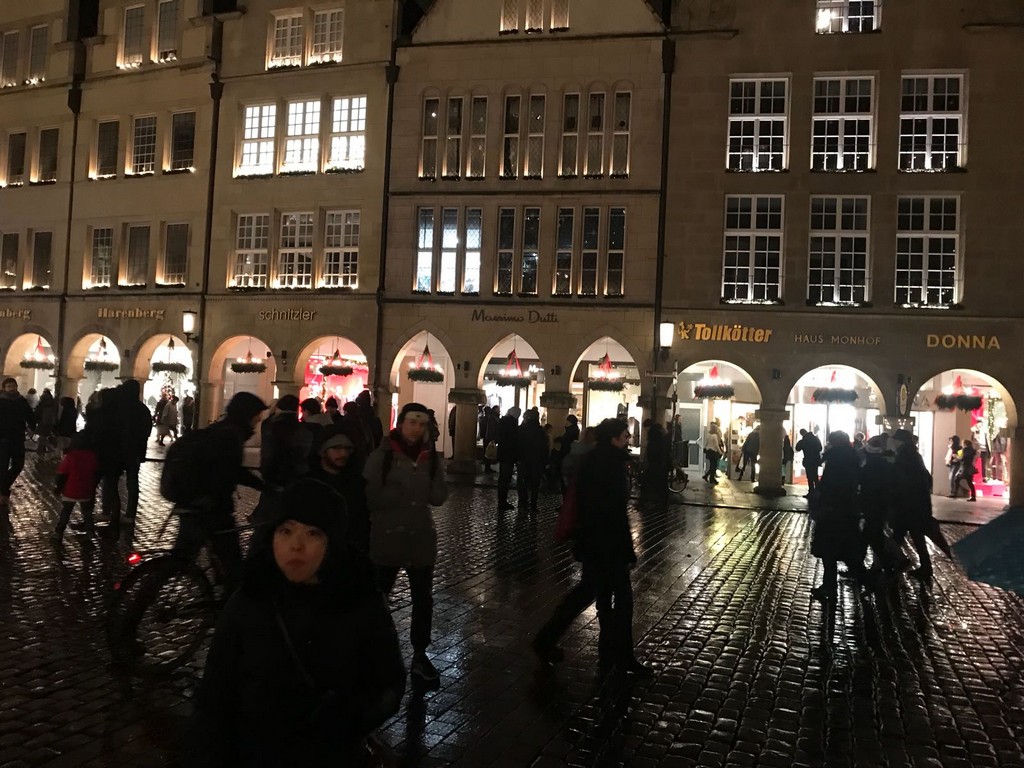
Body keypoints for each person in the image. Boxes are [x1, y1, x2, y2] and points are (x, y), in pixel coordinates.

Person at [184, 479, 406, 767]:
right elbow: (215, 693)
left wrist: (350, 716)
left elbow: (389, 681)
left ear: (332, 541)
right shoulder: (251, 599)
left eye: (313, 533)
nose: (296, 546)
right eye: (285, 531)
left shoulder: (360, 600)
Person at [533, 418, 651, 677]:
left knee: (592, 597)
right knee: (618, 601)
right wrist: (626, 550)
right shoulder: (608, 464)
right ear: (614, 438)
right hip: (607, 545)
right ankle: (620, 656)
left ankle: (604, 652)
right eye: (625, 435)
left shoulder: (595, 460)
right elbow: (613, 512)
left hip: (594, 543)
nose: (628, 440)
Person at [364, 402, 449, 688]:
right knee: (379, 597)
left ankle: (420, 654)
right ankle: (372, 649)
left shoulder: (431, 458)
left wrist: (435, 482)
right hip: (388, 538)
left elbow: (438, 497)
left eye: (421, 424)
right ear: (400, 423)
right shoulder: (382, 455)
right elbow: (370, 496)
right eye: (412, 422)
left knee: (423, 600)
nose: (416, 429)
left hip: (420, 539)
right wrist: (395, 494)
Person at [174, 392, 268, 592]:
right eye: (256, 417)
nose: (257, 422)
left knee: (179, 561)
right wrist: (264, 486)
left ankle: (144, 598)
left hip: (191, 503)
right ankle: (229, 605)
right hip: (211, 508)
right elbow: (230, 470)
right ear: (247, 414)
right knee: (232, 566)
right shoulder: (231, 435)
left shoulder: (220, 429)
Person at [811, 431, 872, 608]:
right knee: (843, 552)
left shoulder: (836, 459)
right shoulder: (851, 457)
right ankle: (831, 586)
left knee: (833, 551)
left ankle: (834, 586)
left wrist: (822, 502)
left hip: (834, 511)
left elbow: (831, 485)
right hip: (846, 511)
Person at [890, 428, 944, 583]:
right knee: (914, 537)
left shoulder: (904, 456)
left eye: (895, 440)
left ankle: (891, 564)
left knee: (899, 537)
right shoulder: (914, 455)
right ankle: (924, 567)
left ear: (900, 441)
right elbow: (927, 479)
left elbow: (901, 481)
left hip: (908, 505)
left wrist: (895, 498)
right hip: (917, 505)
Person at [309, 426, 369, 553]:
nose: (343, 454)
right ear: (322, 451)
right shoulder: (308, 484)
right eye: (336, 448)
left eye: (347, 449)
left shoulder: (357, 484)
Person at [52, 430, 101, 542]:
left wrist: (58, 488)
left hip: (71, 489)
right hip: (86, 489)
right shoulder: (92, 456)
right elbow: (96, 471)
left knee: (66, 512)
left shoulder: (71, 456)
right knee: (87, 513)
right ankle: (90, 532)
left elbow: (62, 474)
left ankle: (58, 533)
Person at [260, 394, 313, 494]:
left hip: (275, 476)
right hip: (297, 476)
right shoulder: (304, 429)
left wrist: (266, 474)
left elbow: (268, 454)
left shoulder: (270, 426)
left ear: (279, 408)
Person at [0, 377, 37, 507]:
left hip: (18, 438)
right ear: (4, 388)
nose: (11, 389)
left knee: (18, 465)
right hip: (3, 439)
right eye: (9, 386)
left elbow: (30, 416)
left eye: (13, 386)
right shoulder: (1, 401)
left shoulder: (21, 401)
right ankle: (3, 493)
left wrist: (33, 427)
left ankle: (3, 487)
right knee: (2, 467)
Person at [517, 408, 548, 513]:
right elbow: (543, 447)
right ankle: (533, 504)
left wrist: (518, 457)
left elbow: (518, 445)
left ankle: (523, 502)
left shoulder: (522, 429)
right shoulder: (539, 430)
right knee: (535, 483)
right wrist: (545, 460)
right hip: (536, 460)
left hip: (524, 459)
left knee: (523, 481)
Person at [496, 406, 521, 511]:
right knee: (505, 479)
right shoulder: (511, 424)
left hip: (503, 454)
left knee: (503, 478)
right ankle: (502, 502)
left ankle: (501, 501)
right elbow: (513, 441)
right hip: (508, 455)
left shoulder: (503, 422)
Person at [795, 428, 823, 495]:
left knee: (810, 477)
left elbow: (797, 448)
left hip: (808, 460)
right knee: (815, 476)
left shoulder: (804, 440)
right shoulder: (815, 438)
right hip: (815, 460)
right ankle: (817, 491)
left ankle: (811, 491)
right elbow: (820, 448)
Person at [34, 388, 57, 455]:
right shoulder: (53, 402)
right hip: (50, 422)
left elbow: (37, 412)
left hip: (43, 422)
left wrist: (35, 420)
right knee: (43, 437)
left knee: (42, 438)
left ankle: (52, 450)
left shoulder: (42, 402)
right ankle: (40, 451)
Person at [482, 404, 500, 473]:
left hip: (490, 437)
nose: (499, 410)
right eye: (498, 409)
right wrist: (492, 438)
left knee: (489, 452)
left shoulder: (492, 417)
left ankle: (488, 467)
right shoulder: (492, 418)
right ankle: (487, 468)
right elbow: (492, 429)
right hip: (490, 438)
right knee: (489, 452)